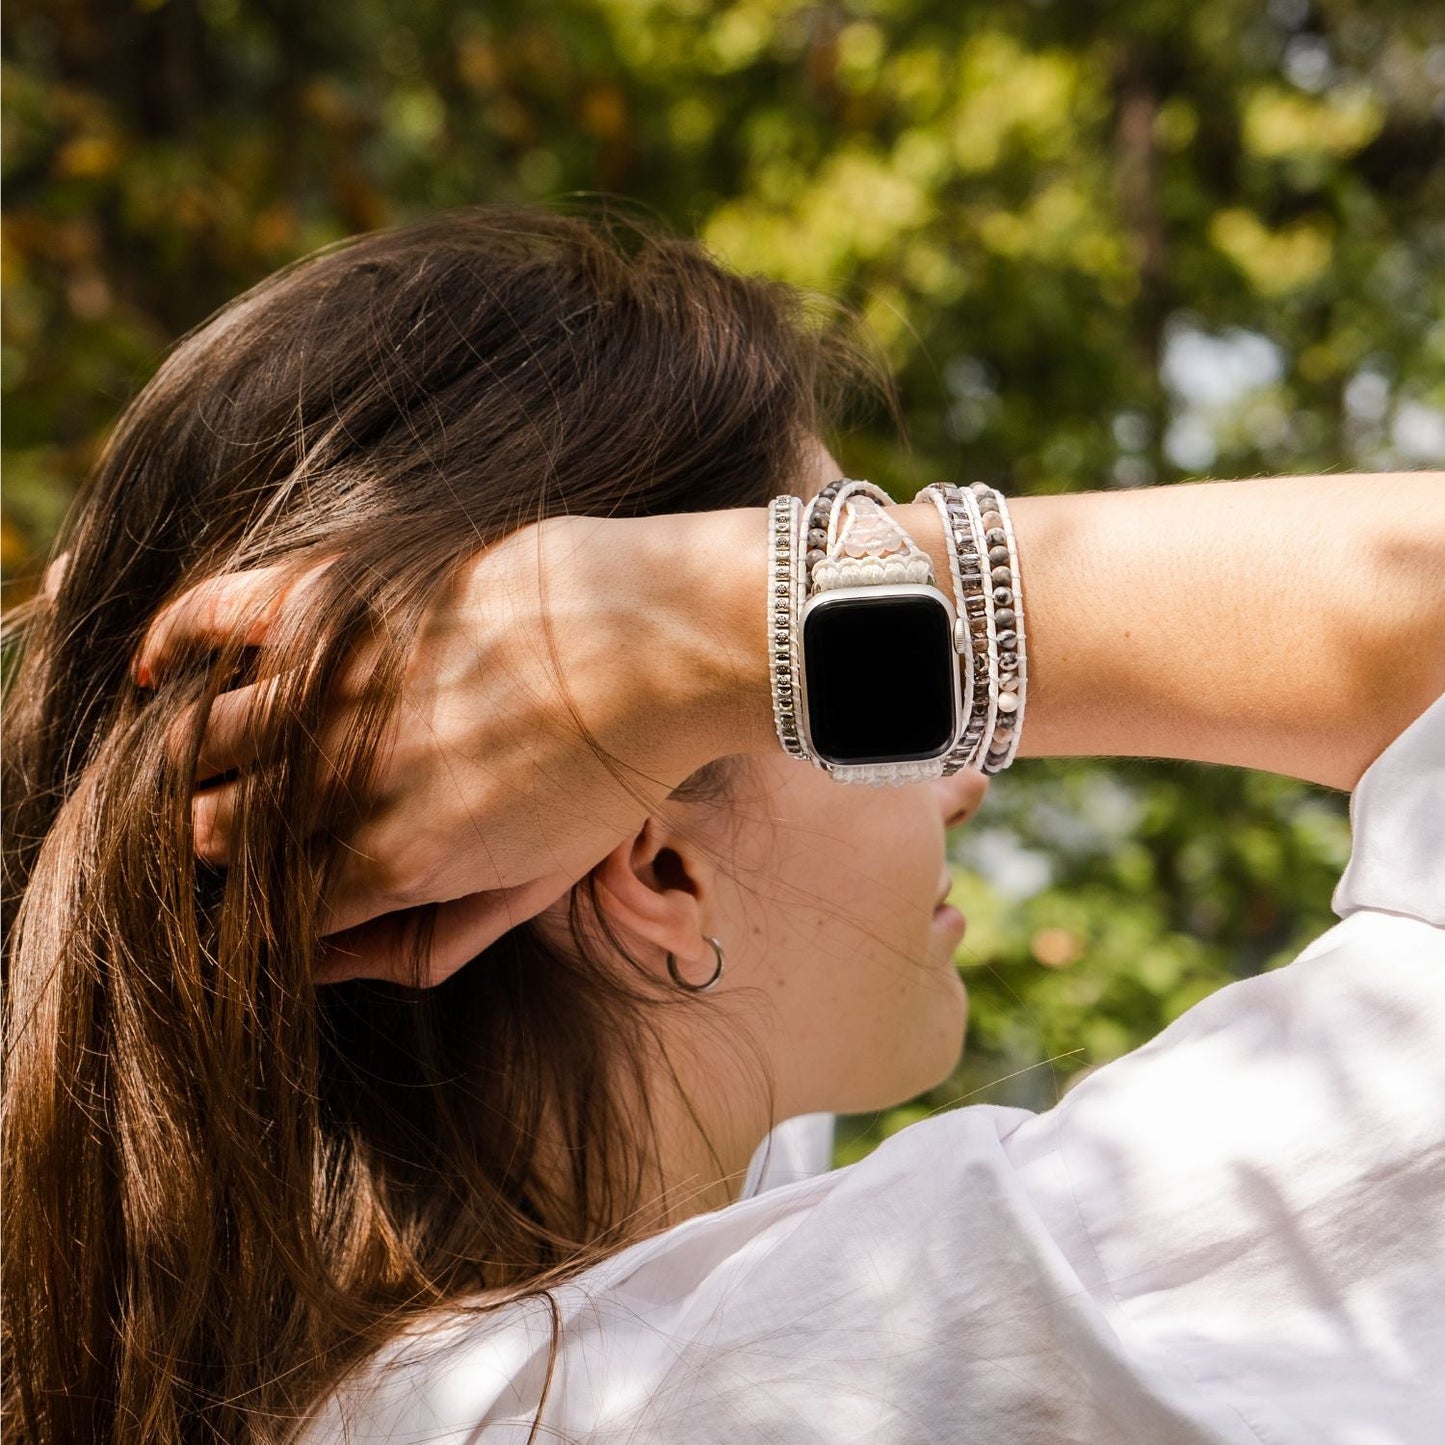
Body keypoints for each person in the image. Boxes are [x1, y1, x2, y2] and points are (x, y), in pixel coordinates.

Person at [2, 206, 1441, 1445]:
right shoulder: (834, 1373)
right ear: (660, 865)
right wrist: (663, 638)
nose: (966, 776)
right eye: (841, 675)